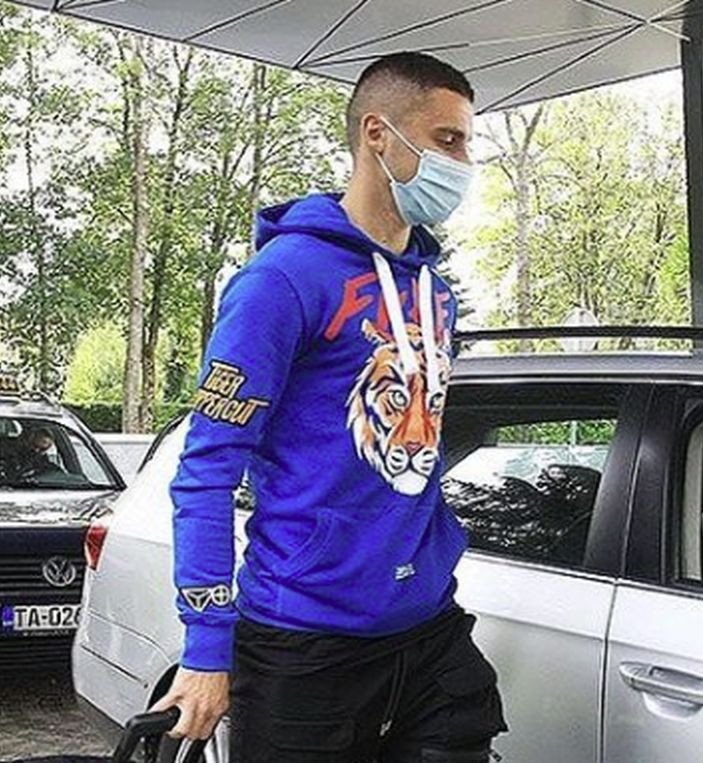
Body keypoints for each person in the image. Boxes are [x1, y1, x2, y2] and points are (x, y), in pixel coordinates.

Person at [154, 52, 507, 761]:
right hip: (306, 641)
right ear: (378, 134)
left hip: (429, 630)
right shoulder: (281, 281)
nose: (463, 164)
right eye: (447, 140)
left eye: (468, 144)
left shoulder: (434, 293)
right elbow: (206, 471)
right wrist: (206, 647)